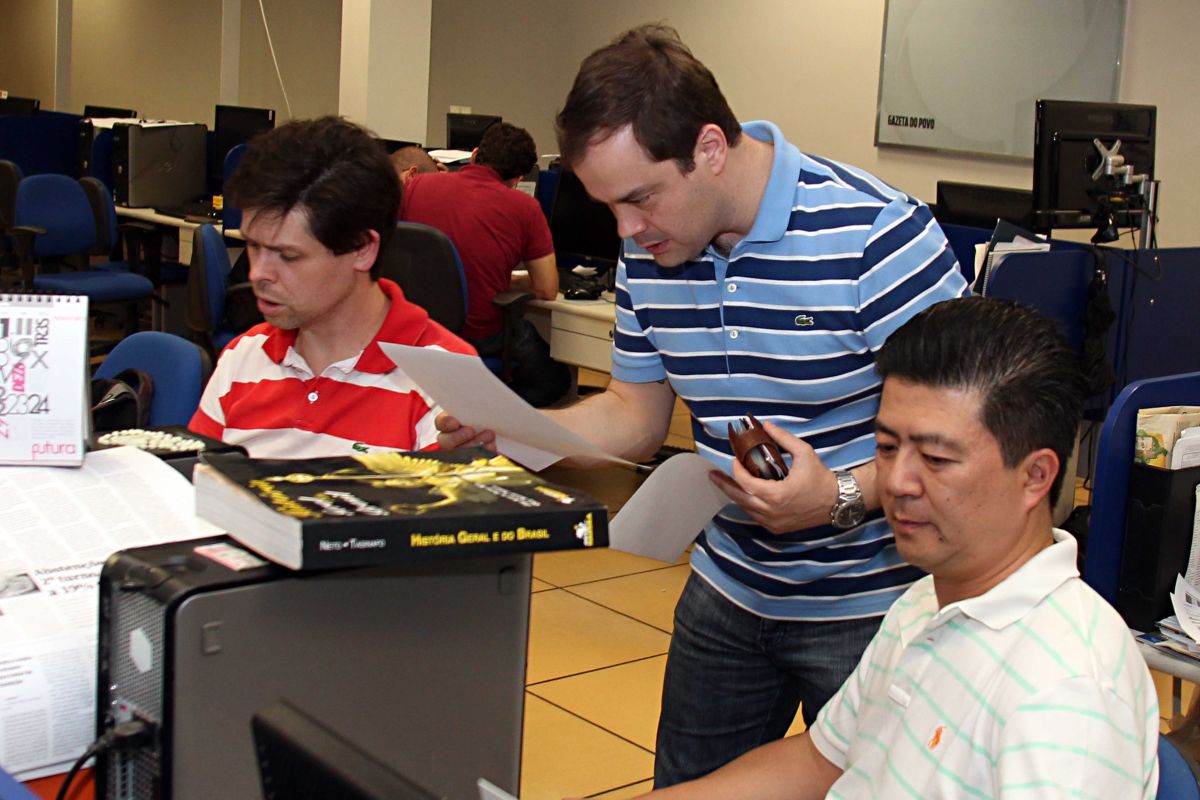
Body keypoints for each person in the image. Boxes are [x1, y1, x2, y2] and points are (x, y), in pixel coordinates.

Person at [438, 24, 968, 786]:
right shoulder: (654, 249)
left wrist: (839, 495)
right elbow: (633, 414)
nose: (626, 230)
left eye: (640, 198)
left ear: (711, 148)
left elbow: (963, 444)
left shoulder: (876, 235)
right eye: (607, 206)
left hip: (874, 607)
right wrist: (514, 433)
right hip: (730, 588)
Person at [635, 296, 1159, 799]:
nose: (897, 481)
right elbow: (824, 761)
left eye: (934, 458)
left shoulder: (1065, 691)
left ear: (1035, 476)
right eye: (886, 448)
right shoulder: (925, 600)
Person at [189, 116, 476, 459]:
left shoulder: (444, 377)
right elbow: (194, 489)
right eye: (253, 246)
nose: (257, 273)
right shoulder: (243, 356)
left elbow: (435, 508)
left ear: (361, 249)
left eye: (288, 256)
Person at [399, 121, 569, 407]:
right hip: (479, 337)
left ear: (475, 154)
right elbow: (547, 288)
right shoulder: (525, 208)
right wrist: (511, 280)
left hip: (417, 330)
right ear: (517, 179)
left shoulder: (416, 186)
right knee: (555, 380)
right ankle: (490, 414)